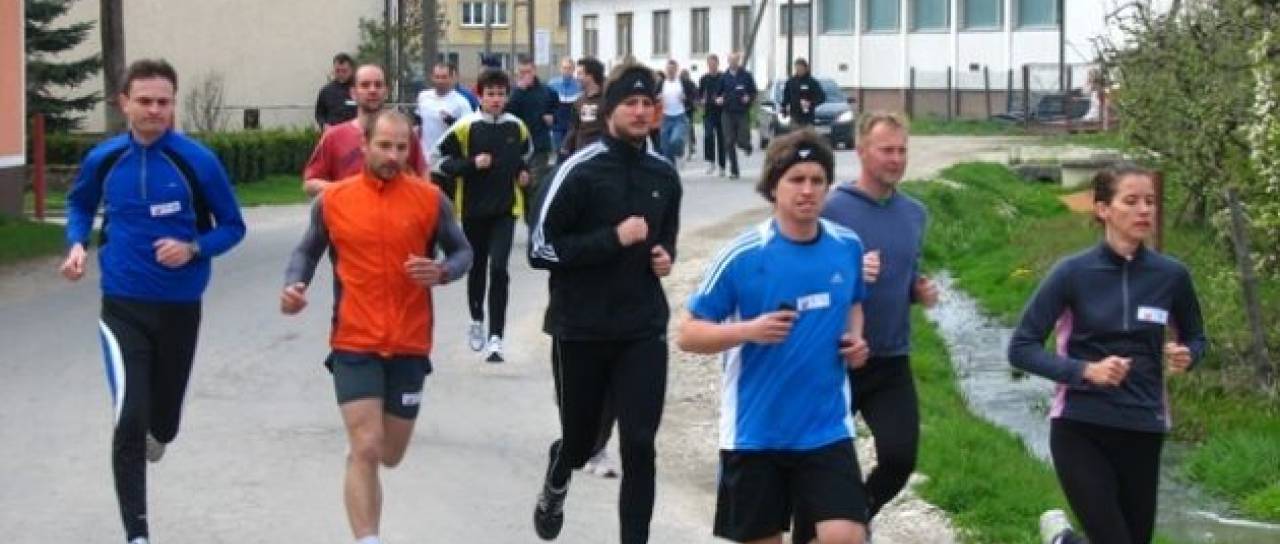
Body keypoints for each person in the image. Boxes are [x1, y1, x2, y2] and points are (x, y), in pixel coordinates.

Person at [61, 58, 248, 544]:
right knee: (129, 419)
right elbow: (79, 203)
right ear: (124, 102)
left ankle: (160, 432)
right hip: (122, 307)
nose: (154, 110)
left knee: (162, 426)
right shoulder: (105, 159)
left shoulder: (196, 161)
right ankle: (137, 535)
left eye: (164, 102)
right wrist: (76, 243)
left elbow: (233, 226)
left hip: (180, 309)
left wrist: (193, 248)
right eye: (144, 101)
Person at [281, 110, 473, 544]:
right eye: (384, 146)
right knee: (366, 446)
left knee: (390, 452)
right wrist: (294, 285)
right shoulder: (334, 200)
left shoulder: (430, 200)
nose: (393, 156)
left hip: (410, 341)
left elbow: (463, 252)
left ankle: (363, 455)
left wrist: (443, 271)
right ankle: (368, 537)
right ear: (364, 145)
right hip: (354, 339)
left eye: (402, 148)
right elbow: (306, 251)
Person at [677, 129, 870, 544]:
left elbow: (854, 301)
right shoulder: (743, 254)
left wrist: (855, 341)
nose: (807, 190)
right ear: (773, 187)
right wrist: (749, 330)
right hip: (755, 433)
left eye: (817, 180)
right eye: (796, 180)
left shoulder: (847, 246)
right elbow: (687, 334)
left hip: (826, 428)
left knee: (846, 535)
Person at [1008, 165, 1206, 544]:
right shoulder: (1072, 273)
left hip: (1143, 425)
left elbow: (1197, 338)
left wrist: (1187, 355)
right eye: (1131, 201)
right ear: (1103, 209)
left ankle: (1064, 542)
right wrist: (1085, 371)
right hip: (1080, 425)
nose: (1144, 210)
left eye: (1149, 201)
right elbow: (1021, 348)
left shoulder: (1171, 276)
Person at [529, 61, 683, 543]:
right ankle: (559, 474)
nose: (639, 112)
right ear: (610, 110)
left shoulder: (664, 174)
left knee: (640, 444)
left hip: (641, 328)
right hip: (581, 328)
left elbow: (666, 240)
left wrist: (664, 257)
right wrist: (612, 239)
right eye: (629, 103)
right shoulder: (579, 170)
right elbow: (540, 249)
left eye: (646, 104)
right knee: (581, 443)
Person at [791, 111, 939, 544]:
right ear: (861, 152)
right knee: (816, 466)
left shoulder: (914, 213)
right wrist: (851, 272)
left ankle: (855, 518)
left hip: (890, 357)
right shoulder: (832, 208)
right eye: (886, 150)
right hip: (834, 359)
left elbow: (903, 277)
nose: (896, 159)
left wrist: (918, 290)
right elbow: (801, 275)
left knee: (900, 457)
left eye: (902, 150)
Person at [430, 69, 533, 363]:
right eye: (490, 94)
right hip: (473, 210)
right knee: (477, 268)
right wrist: (472, 163)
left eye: (501, 94)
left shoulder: (517, 126)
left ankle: (496, 338)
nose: (496, 99)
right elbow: (438, 161)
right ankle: (477, 319)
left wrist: (523, 174)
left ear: (507, 96)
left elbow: (524, 157)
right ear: (479, 95)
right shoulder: (466, 126)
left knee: (499, 269)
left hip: (506, 210)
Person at [303, 64, 428, 196]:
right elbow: (310, 183)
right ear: (353, 93)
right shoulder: (334, 137)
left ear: (386, 92)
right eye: (365, 85)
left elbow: (423, 176)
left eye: (378, 85)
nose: (372, 90)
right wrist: (349, 191)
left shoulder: (403, 134)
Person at [507, 55, 559, 227]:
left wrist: (553, 117)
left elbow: (557, 111)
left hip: (539, 145)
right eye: (521, 72)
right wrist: (518, 92)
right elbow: (508, 113)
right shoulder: (514, 93)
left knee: (535, 185)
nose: (525, 75)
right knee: (522, 185)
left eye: (528, 72)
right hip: (518, 147)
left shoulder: (547, 91)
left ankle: (534, 222)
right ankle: (529, 216)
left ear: (534, 71)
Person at [415, 62, 474, 158]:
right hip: (425, 154)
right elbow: (418, 118)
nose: (440, 81)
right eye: (437, 77)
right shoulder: (423, 96)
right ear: (432, 78)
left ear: (451, 78)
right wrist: (416, 127)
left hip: (447, 156)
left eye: (444, 77)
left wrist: (452, 121)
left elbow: (470, 131)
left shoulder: (461, 102)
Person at [717, 52, 757, 179]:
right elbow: (717, 94)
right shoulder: (724, 77)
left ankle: (747, 146)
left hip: (742, 112)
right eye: (731, 61)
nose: (733, 63)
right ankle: (734, 170)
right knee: (728, 141)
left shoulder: (746, 76)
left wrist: (749, 98)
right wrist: (718, 99)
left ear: (738, 61)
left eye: (735, 61)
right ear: (728, 62)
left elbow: (754, 92)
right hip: (727, 113)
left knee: (741, 140)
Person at [558, 57, 607, 160]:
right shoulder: (579, 102)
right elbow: (574, 127)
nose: (576, 77)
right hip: (581, 155)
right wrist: (565, 145)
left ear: (590, 76)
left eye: (580, 74)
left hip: (602, 155)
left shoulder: (608, 100)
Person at [658, 59, 696, 163]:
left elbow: (694, 94)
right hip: (665, 118)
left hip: (679, 117)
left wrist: (686, 98)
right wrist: (658, 98)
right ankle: (671, 169)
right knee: (666, 148)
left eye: (672, 69)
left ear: (676, 70)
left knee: (675, 140)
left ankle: (680, 150)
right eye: (668, 69)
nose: (670, 71)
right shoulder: (662, 83)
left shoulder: (683, 82)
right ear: (666, 70)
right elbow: (654, 95)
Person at [698, 54, 726, 177]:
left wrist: (723, 98)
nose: (712, 66)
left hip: (721, 112)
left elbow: (727, 91)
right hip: (709, 111)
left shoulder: (723, 77)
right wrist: (701, 100)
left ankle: (722, 166)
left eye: (714, 64)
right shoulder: (704, 79)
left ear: (717, 64)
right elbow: (699, 94)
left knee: (721, 139)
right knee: (708, 135)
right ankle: (710, 162)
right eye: (710, 64)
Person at [548, 56, 583, 156]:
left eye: (569, 68)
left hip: (573, 126)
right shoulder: (552, 84)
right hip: (557, 126)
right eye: (564, 68)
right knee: (559, 153)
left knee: (572, 154)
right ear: (560, 69)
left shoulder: (579, 85)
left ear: (573, 69)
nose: (566, 71)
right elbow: (548, 104)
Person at [315, 52, 358, 129]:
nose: (341, 74)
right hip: (332, 132)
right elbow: (319, 114)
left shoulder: (359, 90)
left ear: (352, 70)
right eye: (337, 71)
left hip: (354, 132)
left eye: (344, 71)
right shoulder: (326, 91)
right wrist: (323, 124)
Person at [782, 58, 826, 127]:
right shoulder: (791, 82)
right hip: (794, 116)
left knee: (807, 133)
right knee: (795, 133)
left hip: (808, 117)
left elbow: (822, 97)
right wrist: (784, 109)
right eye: (797, 69)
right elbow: (786, 97)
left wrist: (811, 103)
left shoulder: (812, 82)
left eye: (801, 69)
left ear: (806, 68)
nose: (799, 71)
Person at [680, 68, 698, 160]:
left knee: (688, 129)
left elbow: (695, 95)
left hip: (686, 109)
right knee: (689, 129)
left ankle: (690, 147)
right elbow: (695, 95)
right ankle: (691, 146)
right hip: (686, 109)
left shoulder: (689, 84)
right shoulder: (690, 83)